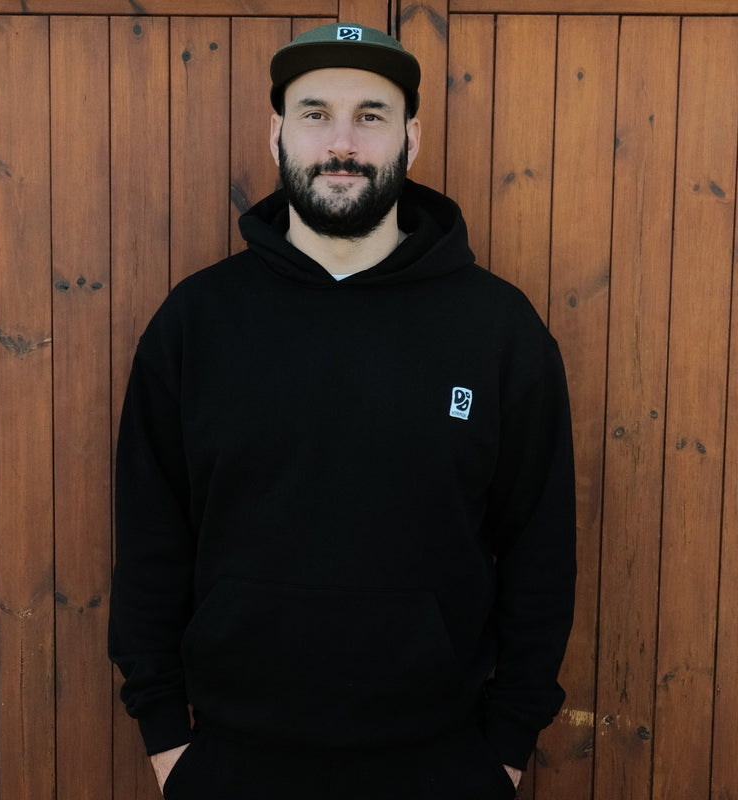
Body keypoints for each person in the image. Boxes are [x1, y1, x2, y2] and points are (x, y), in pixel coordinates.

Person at [109, 22, 576, 800]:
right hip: (233, 762)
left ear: (410, 138)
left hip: (442, 762)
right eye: (315, 112)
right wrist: (167, 738)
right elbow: (150, 533)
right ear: (277, 132)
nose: (342, 142)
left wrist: (504, 746)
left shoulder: (497, 331)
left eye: (371, 115)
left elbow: (541, 549)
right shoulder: (197, 323)